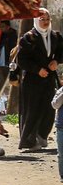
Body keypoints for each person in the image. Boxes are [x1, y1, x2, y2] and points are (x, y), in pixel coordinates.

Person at [16, 8, 63, 151]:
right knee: (32, 109)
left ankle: (42, 136)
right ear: (36, 20)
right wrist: (37, 70)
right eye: (42, 19)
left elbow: (61, 51)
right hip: (32, 79)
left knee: (49, 109)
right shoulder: (28, 38)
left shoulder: (55, 36)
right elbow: (22, 60)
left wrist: (56, 61)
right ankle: (28, 141)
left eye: (47, 19)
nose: (45, 22)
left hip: (48, 78)